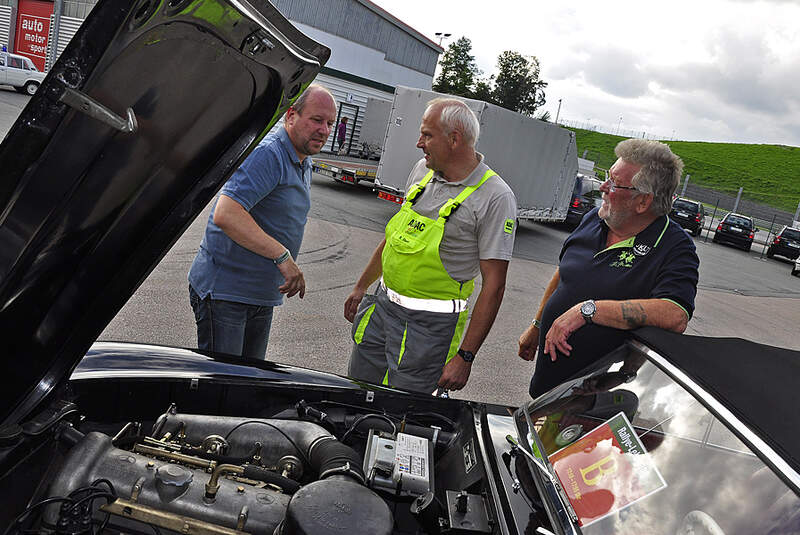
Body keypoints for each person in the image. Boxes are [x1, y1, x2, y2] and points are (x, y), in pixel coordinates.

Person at [344, 98, 517, 394]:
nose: (418, 143)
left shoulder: (496, 197)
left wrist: (465, 356)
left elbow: (494, 286)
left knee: (407, 414)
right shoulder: (421, 171)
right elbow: (395, 238)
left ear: (454, 139)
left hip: (429, 331)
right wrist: (362, 286)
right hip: (382, 310)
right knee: (356, 394)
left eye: (427, 135)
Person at [518, 139, 699, 398]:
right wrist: (536, 326)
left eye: (614, 182)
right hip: (548, 387)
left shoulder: (674, 247)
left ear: (643, 202)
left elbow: (675, 314)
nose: (602, 187)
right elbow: (564, 275)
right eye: (607, 177)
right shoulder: (595, 218)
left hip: (596, 400)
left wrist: (588, 310)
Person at [188, 85, 337, 359]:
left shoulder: (302, 160)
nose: (325, 130)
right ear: (290, 116)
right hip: (227, 295)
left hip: (257, 297)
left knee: (247, 384)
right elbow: (226, 213)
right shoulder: (269, 154)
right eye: (317, 120)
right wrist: (282, 256)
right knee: (224, 387)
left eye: (330, 123)